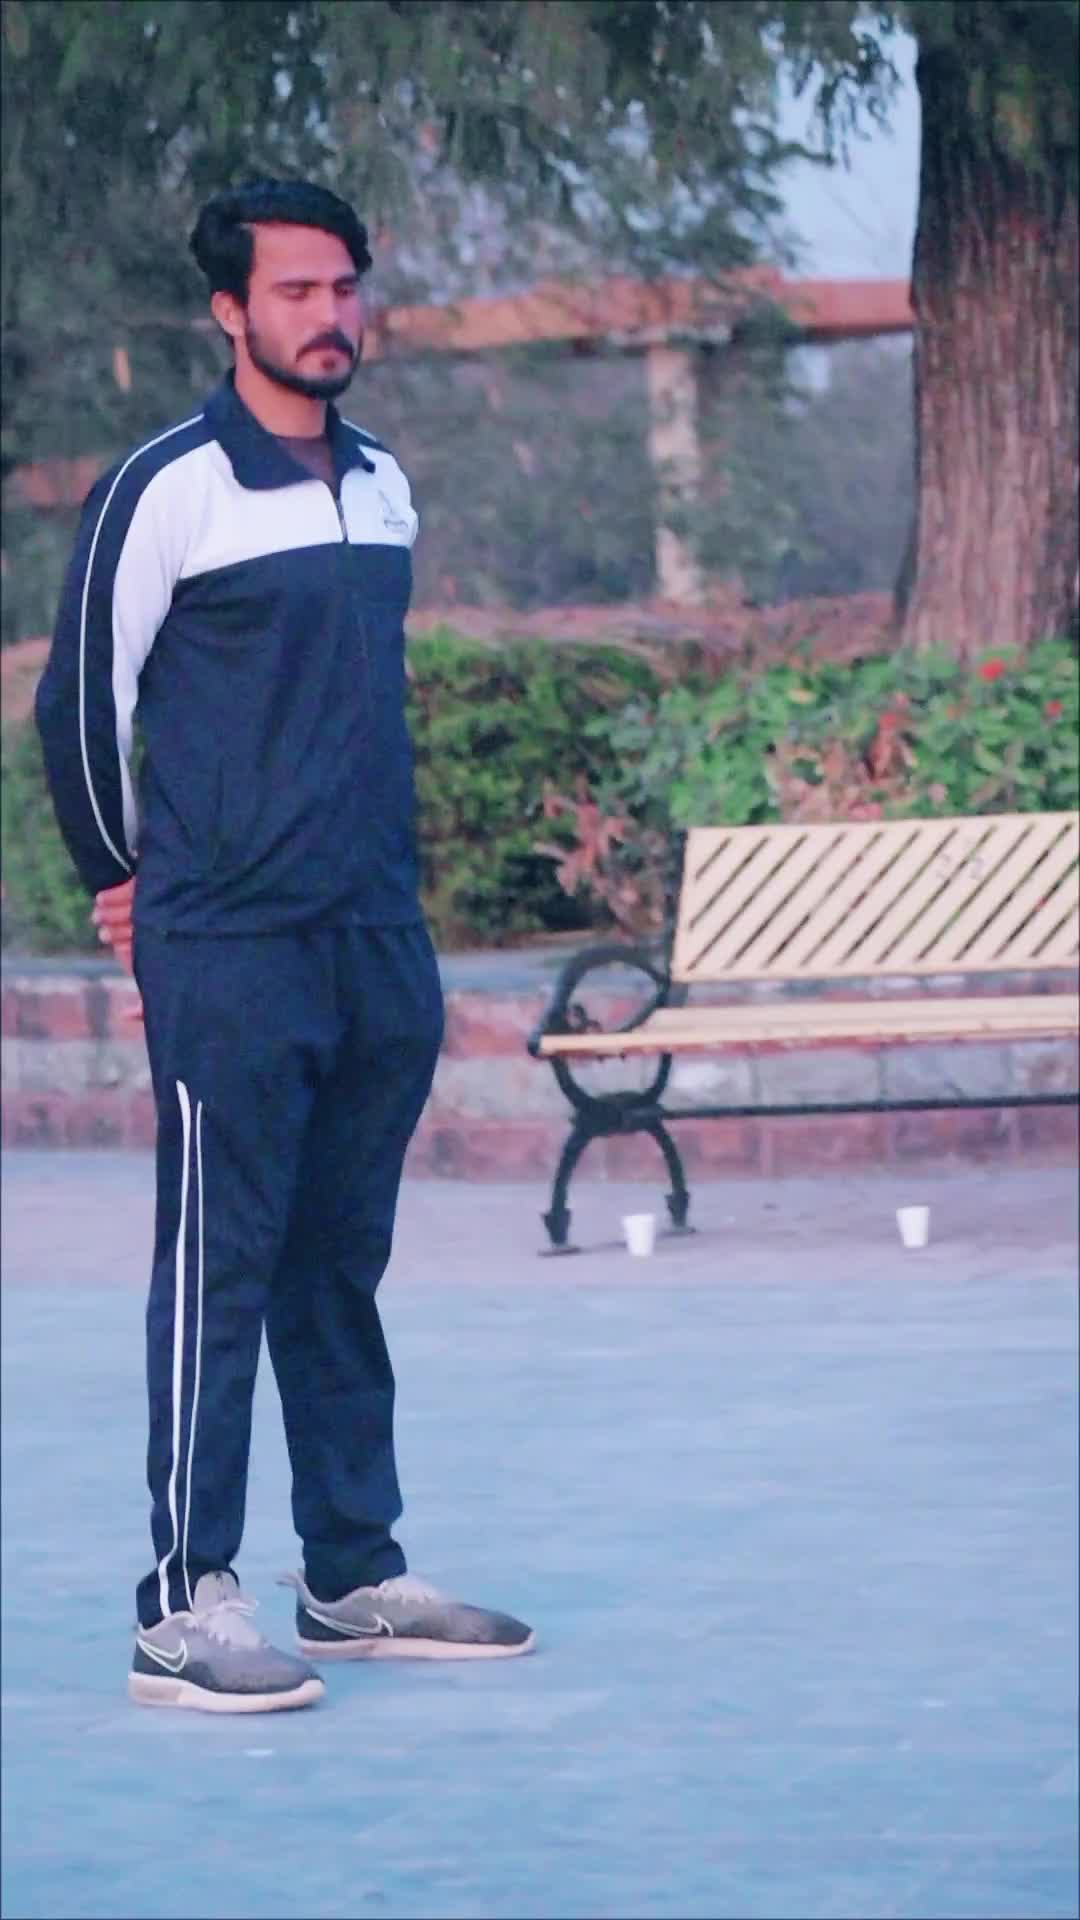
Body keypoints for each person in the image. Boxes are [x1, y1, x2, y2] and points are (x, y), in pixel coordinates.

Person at [35, 177, 534, 1715]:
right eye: (297, 291)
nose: (330, 315)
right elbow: (80, 701)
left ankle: (351, 1574)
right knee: (221, 1268)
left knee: (339, 1263)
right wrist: (123, 880)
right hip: (230, 943)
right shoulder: (168, 486)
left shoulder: (383, 486)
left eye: (344, 287)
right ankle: (183, 1603)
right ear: (229, 310)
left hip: (374, 938)